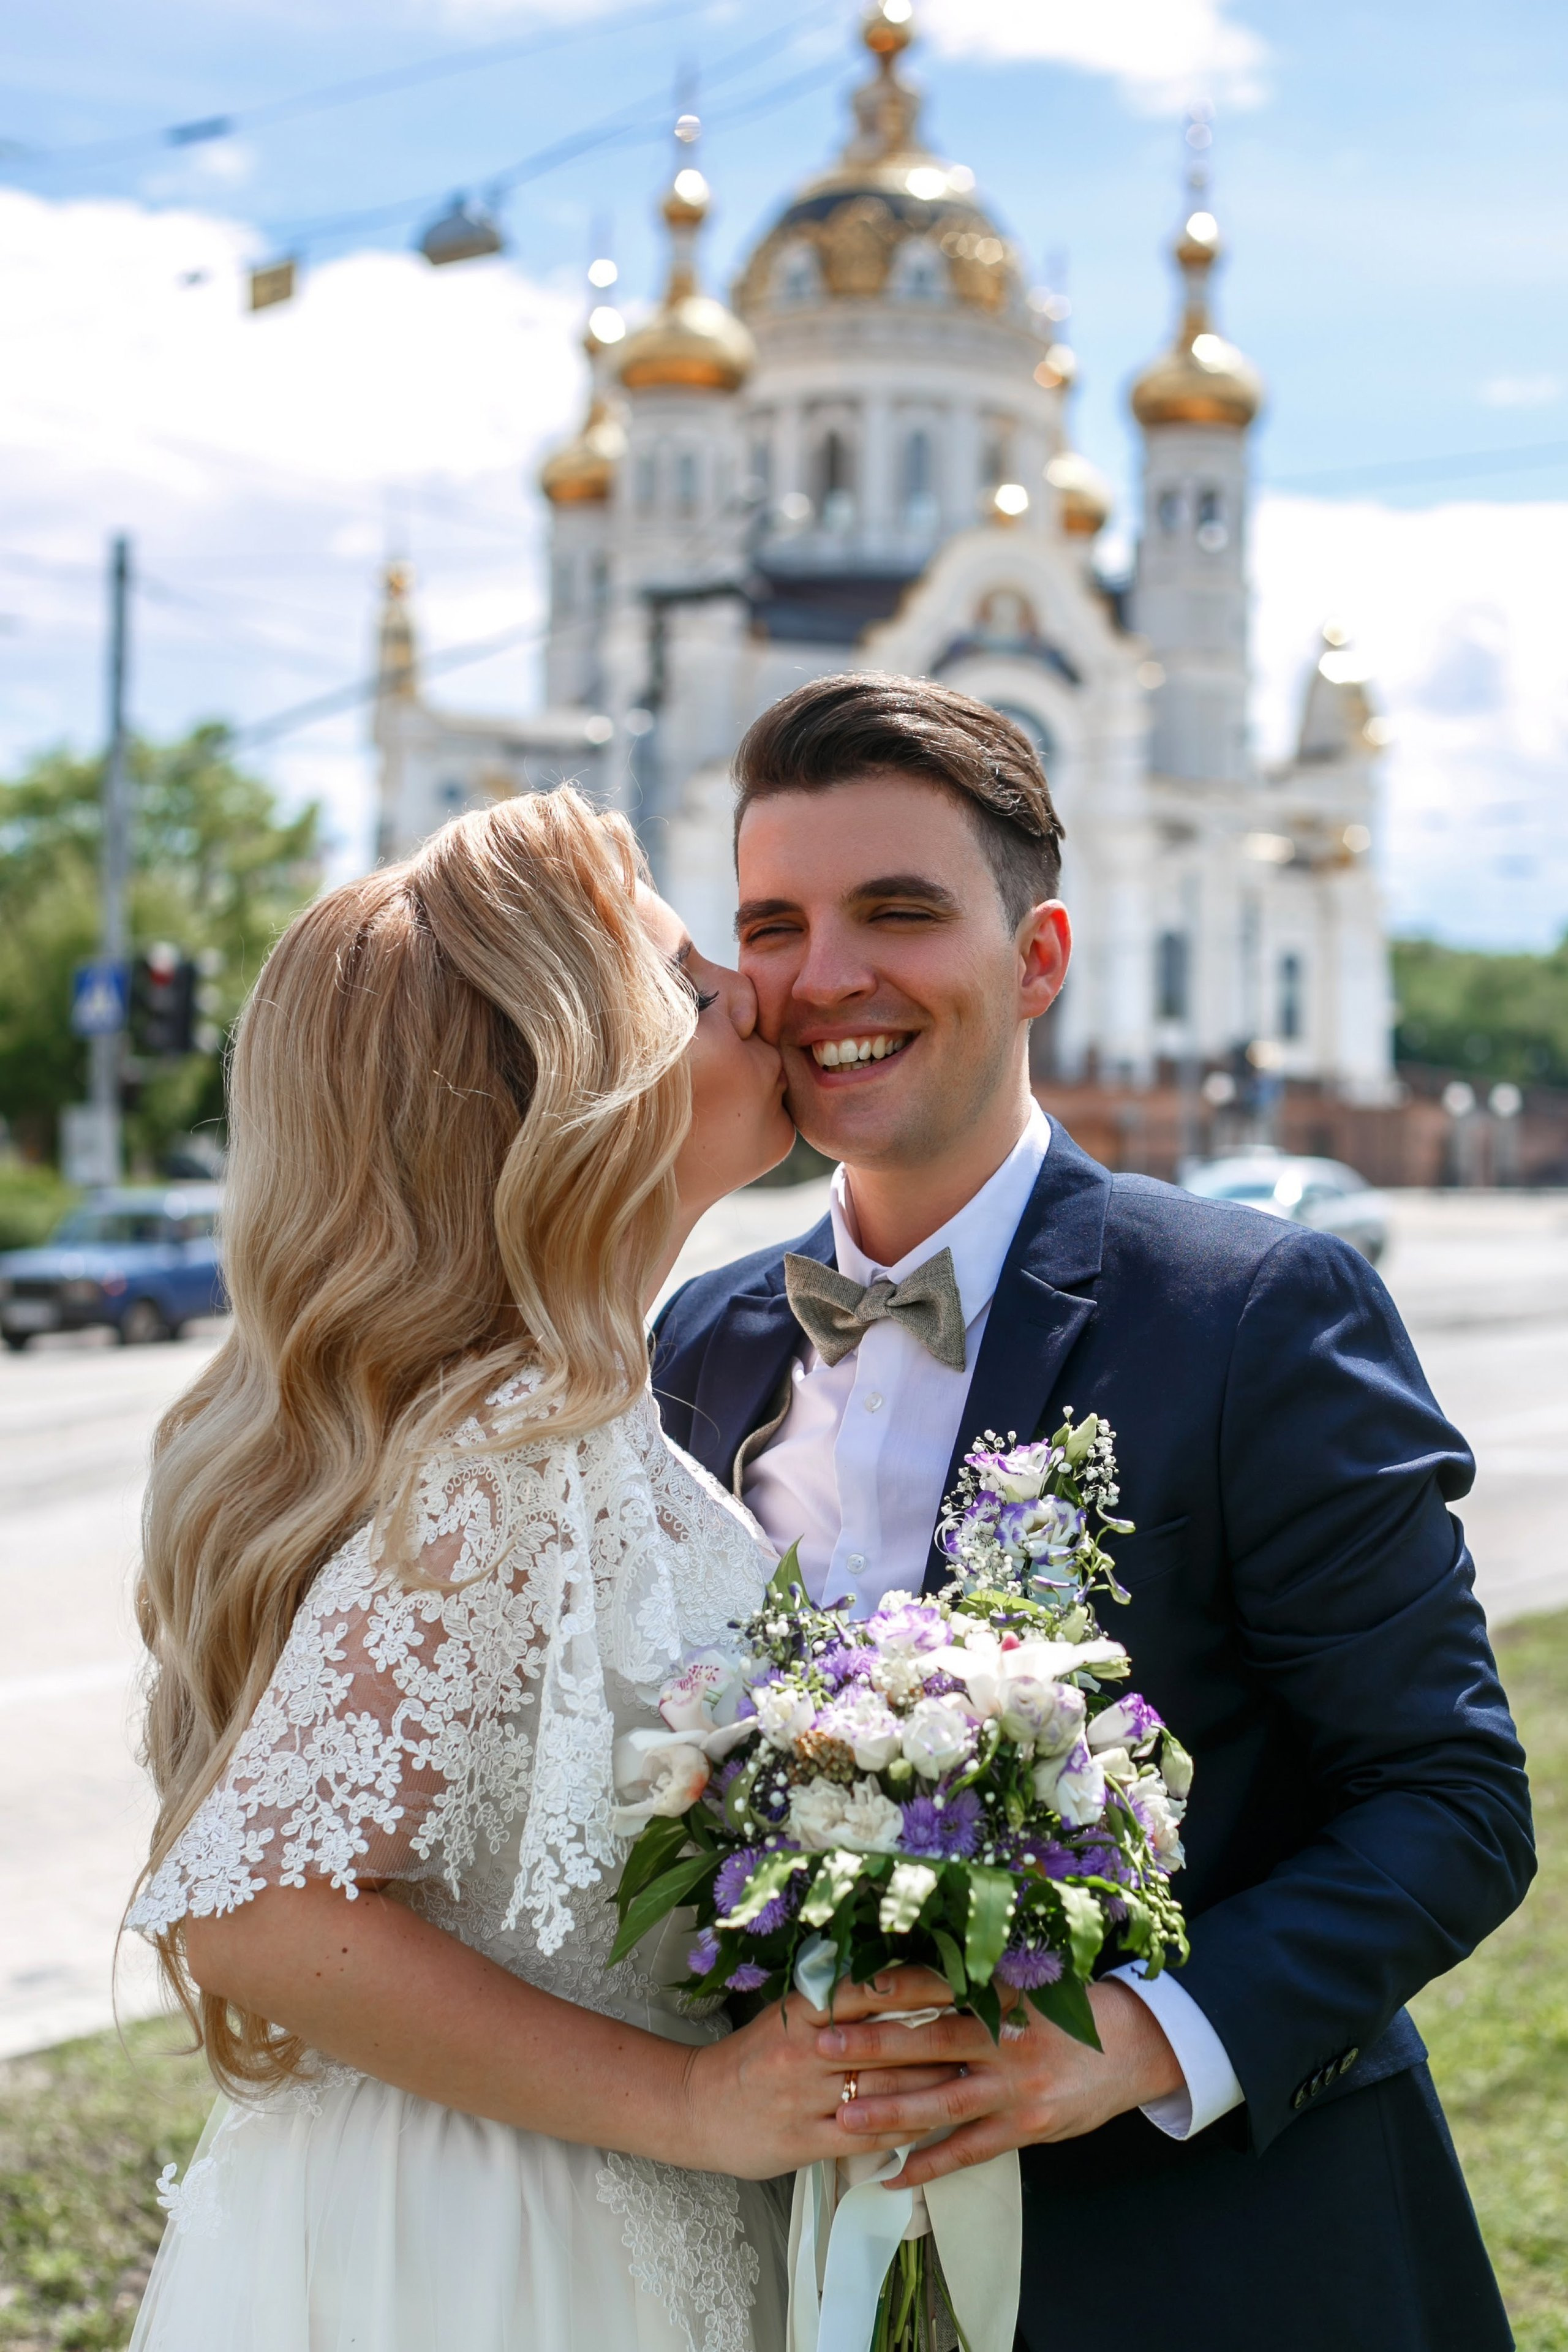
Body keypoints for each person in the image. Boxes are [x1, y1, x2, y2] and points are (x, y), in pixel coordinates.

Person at [652, 674, 1536, 2352]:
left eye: (898, 911)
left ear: (1039, 958)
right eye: (777, 923)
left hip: (1219, 2265)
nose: (827, 977)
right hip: (788, 2260)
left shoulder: (1256, 1312)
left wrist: (1131, 2043)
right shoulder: (702, 1344)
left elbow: (1451, 1803)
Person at [125, 788, 960, 2352]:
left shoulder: (557, 1415)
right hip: (502, 2247)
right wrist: (701, 2102)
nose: (760, 996)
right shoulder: (511, 1445)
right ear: (572, 1083)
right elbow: (255, 1911)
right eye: (698, 985)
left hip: (577, 2205)